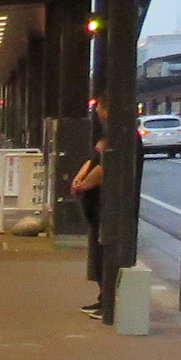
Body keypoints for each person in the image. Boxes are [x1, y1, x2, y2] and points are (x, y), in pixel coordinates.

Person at [75, 97, 109, 316]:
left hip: (103, 205)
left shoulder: (118, 135)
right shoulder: (106, 135)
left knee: (104, 250)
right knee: (97, 250)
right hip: (94, 205)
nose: (97, 113)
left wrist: (84, 184)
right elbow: (93, 160)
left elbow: (104, 166)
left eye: (99, 109)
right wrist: (80, 177)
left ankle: (107, 301)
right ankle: (102, 297)